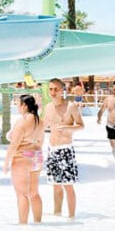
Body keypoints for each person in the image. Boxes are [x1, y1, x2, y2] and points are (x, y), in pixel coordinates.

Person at [43, 78, 84, 218]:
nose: (53, 92)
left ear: (62, 91)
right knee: (55, 185)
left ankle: (72, 217)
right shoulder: (48, 107)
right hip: (51, 149)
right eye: (50, 89)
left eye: (56, 89)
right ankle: (57, 214)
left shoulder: (70, 106)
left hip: (65, 149)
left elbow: (81, 125)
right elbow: (44, 125)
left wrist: (66, 127)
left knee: (68, 185)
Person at [3, 95, 45, 224]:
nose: (17, 107)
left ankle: (23, 226)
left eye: (18, 104)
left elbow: (14, 144)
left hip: (23, 157)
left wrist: (6, 163)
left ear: (24, 105)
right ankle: (38, 222)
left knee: (22, 195)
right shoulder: (39, 121)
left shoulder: (22, 121)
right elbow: (41, 141)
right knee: (34, 193)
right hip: (37, 156)